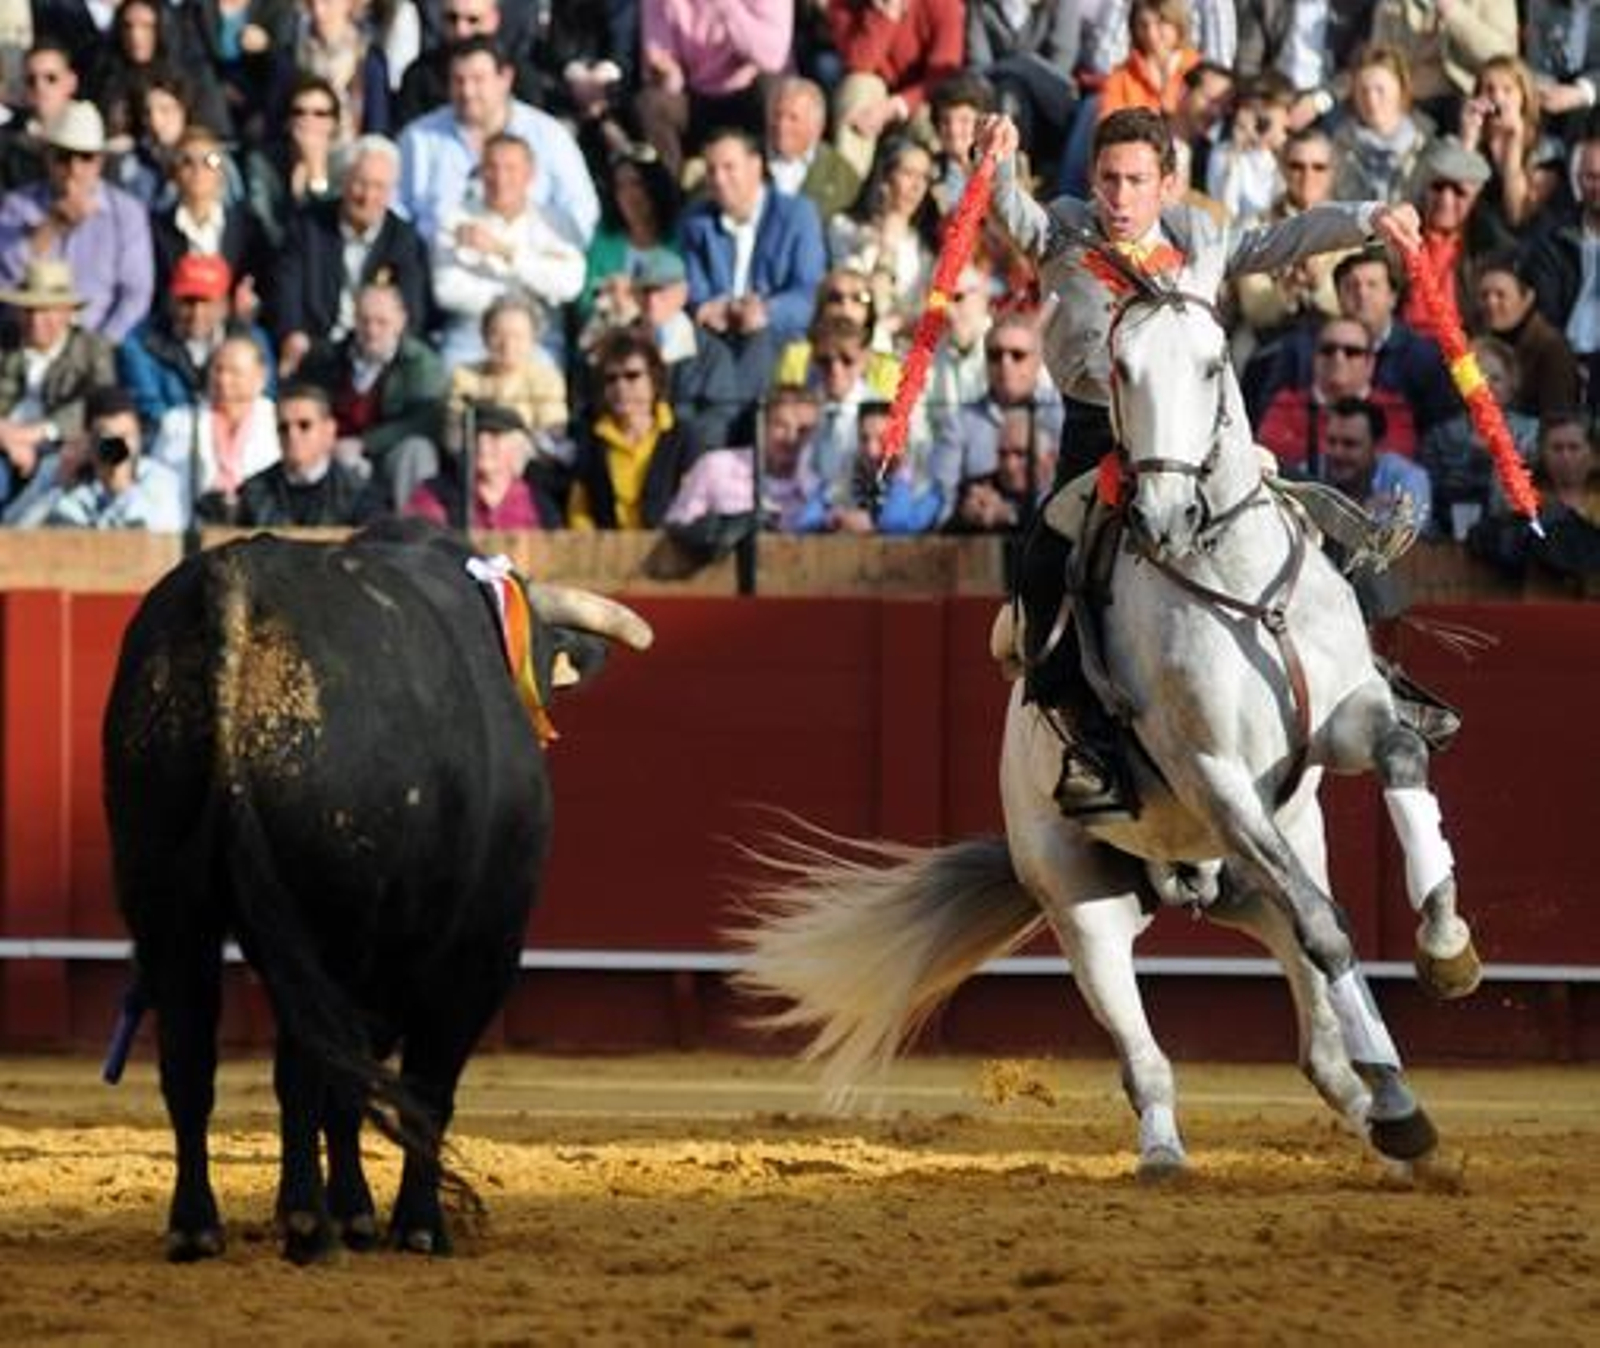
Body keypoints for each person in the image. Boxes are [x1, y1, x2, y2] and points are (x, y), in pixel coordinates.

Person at [976, 104, 1423, 814]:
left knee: (1298, 522)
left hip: (1194, 437)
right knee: (1043, 569)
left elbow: (1282, 240)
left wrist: (1368, 216)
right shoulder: (1065, 230)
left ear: (1168, 186)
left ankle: (1373, 678)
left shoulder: (1197, 241)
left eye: (1135, 181)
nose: (1119, 197)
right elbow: (1007, 211)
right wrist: (992, 155)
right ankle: (1085, 738)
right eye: (1108, 179)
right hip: (1098, 434)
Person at [396, 36, 599, 251]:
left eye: (478, 79)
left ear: (505, 78)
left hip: (527, 274)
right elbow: (395, 215)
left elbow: (581, 215)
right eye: (458, 80)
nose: (467, 92)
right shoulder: (418, 139)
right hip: (438, 271)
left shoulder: (549, 137)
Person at [678, 127, 827, 390]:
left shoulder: (798, 215)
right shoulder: (696, 221)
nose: (719, 180)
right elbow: (694, 289)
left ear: (756, 165)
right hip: (715, 337)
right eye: (712, 170)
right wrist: (707, 308)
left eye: (728, 168)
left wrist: (765, 312)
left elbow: (808, 292)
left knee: (758, 346)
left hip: (775, 337)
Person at [271, 134, 429, 377]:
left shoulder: (404, 239)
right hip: (316, 346)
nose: (367, 197)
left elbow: (412, 314)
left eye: (379, 187)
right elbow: (286, 293)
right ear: (343, 181)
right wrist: (292, 333)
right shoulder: (308, 226)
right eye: (360, 183)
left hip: (377, 354)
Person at [0, 100, 154, 342]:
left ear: (100, 161)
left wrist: (101, 345)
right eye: (64, 157)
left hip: (101, 341)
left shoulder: (127, 213)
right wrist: (51, 226)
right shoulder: (17, 206)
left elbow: (136, 294)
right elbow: (8, 281)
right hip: (26, 339)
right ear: (47, 157)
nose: (74, 168)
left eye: (85, 157)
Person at [429, 131, 586, 367]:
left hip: (539, 339)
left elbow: (569, 285)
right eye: (491, 168)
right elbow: (448, 290)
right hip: (472, 336)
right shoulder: (455, 219)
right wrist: (527, 291)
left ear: (529, 174)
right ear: (481, 172)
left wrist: (503, 252)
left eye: (510, 168)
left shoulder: (557, 223)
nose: (500, 179)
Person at [298, 280, 446, 513]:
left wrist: (365, 444)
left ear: (400, 321)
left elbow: (426, 421)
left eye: (381, 322)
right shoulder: (325, 358)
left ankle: (414, 533)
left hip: (389, 453)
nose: (372, 330)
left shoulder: (421, 363)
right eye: (364, 321)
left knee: (417, 450)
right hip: (333, 452)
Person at [118, 253, 276, 436]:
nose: (197, 313)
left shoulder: (252, 340)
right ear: (171, 300)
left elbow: (265, 401)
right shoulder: (140, 343)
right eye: (188, 302)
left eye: (206, 301)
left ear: (225, 304)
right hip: (168, 449)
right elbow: (148, 411)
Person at [0, 257, 114, 509]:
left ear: (67, 312)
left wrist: (33, 435)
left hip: (65, 450)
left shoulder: (93, 350)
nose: (36, 320)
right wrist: (8, 438)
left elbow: (100, 406)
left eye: (46, 310)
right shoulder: (5, 342)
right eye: (30, 310)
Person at [633, 0, 792, 179]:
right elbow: (663, 61)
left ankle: (776, 188)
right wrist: (668, 72)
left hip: (749, 89)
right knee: (651, 104)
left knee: (772, 89)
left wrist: (725, 7)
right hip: (696, 96)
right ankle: (672, 197)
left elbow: (772, 58)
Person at [566, 328, 700, 529]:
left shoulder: (682, 437)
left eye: (632, 375)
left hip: (669, 553)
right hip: (605, 555)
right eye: (611, 378)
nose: (620, 386)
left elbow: (694, 504)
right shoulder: (592, 439)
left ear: (654, 379)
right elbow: (579, 511)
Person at [1257, 314, 1419, 472]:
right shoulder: (1285, 404)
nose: (1338, 358)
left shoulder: (1393, 408)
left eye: (1351, 352)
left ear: (1370, 363)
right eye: (1328, 350)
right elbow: (1270, 455)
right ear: (1314, 358)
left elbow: (1395, 462)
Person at [827, 0, 966, 181]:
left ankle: (938, 191)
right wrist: (886, 15)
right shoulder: (843, 5)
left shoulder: (944, 5)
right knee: (858, 87)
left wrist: (895, 106)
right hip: (874, 95)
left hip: (920, 99)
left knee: (937, 117)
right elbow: (859, 63)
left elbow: (943, 75)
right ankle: (845, 186)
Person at [150, 333, 280, 524]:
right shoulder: (178, 421)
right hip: (192, 528)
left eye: (234, 372)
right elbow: (158, 483)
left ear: (260, 376)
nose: (223, 379)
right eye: (217, 369)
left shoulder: (278, 420)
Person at [26, 385, 184, 530]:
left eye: (125, 436)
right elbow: (14, 533)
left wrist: (121, 486)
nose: (119, 447)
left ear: (139, 436)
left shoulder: (161, 479)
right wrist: (59, 486)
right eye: (108, 438)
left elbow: (157, 536)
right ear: (88, 439)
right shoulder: (56, 468)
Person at [1521, 133, 1600, 416]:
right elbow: (1548, 309)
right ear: (1578, 180)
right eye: (1591, 177)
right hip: (1566, 356)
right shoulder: (1552, 237)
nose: (1599, 186)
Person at [237, 381, 382, 527]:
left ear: (329, 430)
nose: (292, 434)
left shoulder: (358, 494)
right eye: (283, 427)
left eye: (304, 425)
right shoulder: (253, 491)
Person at [404, 400, 562, 529]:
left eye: (495, 436)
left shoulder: (539, 505)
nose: (482, 445)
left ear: (516, 446)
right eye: (474, 436)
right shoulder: (433, 495)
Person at [1473, 253, 1581, 419]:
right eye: (1484, 295)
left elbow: (1558, 415)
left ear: (1527, 298)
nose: (1491, 303)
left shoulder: (1551, 348)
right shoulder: (1473, 343)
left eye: (1500, 295)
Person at [1319, 394, 1435, 535]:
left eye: (1349, 444)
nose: (1337, 453)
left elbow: (1406, 538)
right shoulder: (1312, 469)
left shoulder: (1410, 477)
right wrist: (1366, 511)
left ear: (1378, 446)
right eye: (1331, 442)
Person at [765, 75, 862, 224]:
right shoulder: (747, 159)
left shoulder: (840, 174)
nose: (781, 126)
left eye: (793, 118)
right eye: (777, 115)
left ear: (816, 126)